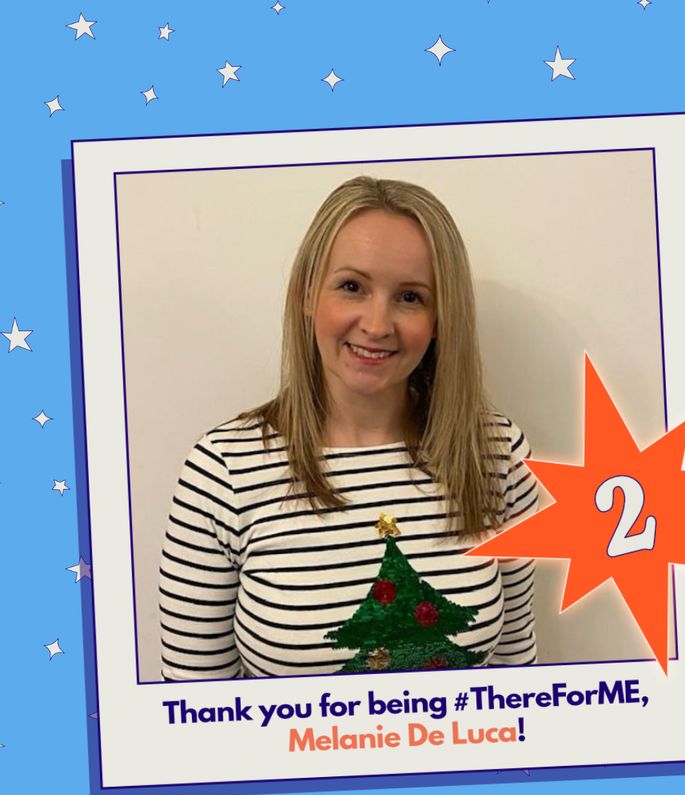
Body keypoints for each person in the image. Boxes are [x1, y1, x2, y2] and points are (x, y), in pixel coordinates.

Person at [159, 176, 537, 680]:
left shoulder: (497, 454)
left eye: (410, 297)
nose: (377, 325)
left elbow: (521, 678)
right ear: (308, 294)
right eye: (352, 287)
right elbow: (192, 710)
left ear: (441, 318)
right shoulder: (224, 470)